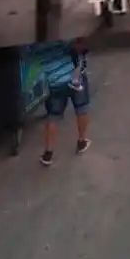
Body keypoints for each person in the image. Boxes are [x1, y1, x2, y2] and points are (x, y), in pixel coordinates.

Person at [38, 37, 91, 166]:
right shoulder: (62, 33)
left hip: (54, 81)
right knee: (81, 108)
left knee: (53, 116)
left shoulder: (33, 42)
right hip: (74, 76)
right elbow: (77, 46)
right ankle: (81, 140)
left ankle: (48, 153)